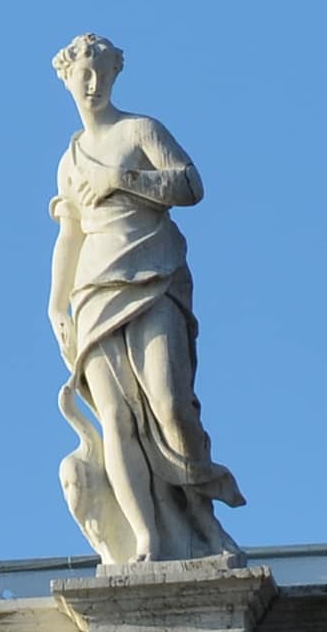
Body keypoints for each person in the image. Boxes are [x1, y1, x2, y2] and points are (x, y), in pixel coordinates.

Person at [47, 33, 243, 566]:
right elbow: (70, 235)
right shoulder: (68, 160)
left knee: (170, 404)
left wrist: (120, 179)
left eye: (101, 73)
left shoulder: (140, 130)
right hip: (92, 291)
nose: (91, 83)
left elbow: (189, 185)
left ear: (114, 76)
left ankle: (202, 516)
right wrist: (54, 305)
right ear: (65, 79)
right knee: (116, 419)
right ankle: (148, 540)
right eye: (82, 75)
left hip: (153, 273)